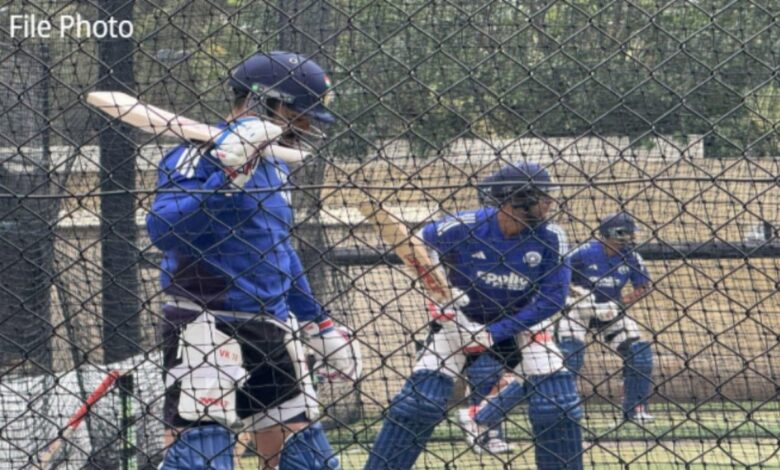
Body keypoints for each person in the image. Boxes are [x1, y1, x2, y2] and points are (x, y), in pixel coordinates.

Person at [146, 51, 357, 469]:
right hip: (206, 326)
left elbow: (278, 248)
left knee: (312, 463)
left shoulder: (275, 165)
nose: (308, 126)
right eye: (299, 113)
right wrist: (224, 178)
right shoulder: (196, 155)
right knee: (203, 457)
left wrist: (318, 321)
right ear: (266, 103)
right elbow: (164, 231)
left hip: (271, 329)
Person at [364, 161, 583, 470]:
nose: (550, 203)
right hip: (459, 320)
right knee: (417, 406)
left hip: (523, 320)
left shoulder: (552, 237)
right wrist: (439, 302)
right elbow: (420, 250)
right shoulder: (463, 226)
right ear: (514, 199)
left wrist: (495, 333)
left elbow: (552, 298)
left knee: (557, 405)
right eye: (541, 197)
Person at [556, 212, 654, 421]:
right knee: (570, 357)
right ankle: (564, 409)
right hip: (579, 311)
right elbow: (557, 276)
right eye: (624, 233)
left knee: (641, 355)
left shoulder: (632, 257)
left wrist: (618, 305)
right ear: (610, 233)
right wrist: (575, 295)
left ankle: (634, 409)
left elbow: (643, 287)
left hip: (610, 310)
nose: (629, 237)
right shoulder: (583, 253)